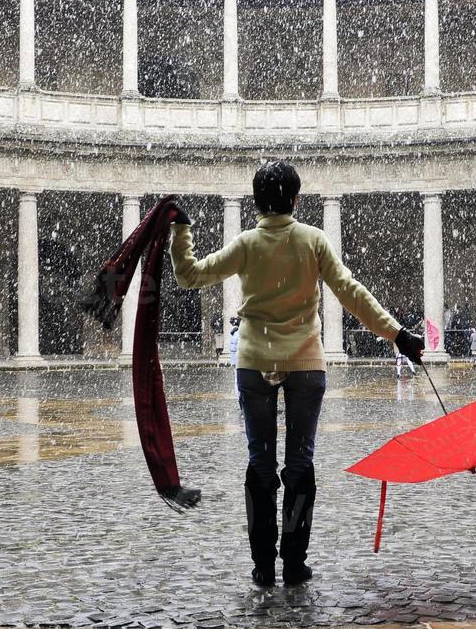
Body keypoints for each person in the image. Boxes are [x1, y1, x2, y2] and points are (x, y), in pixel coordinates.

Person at [169, 161, 423, 589]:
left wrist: (182, 231)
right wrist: (396, 334)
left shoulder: (247, 244)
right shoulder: (312, 241)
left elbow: (189, 274)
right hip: (306, 363)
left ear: (256, 202)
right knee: (300, 465)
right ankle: (295, 561)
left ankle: (263, 565)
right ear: (295, 199)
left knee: (260, 465)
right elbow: (350, 292)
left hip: (254, 362)